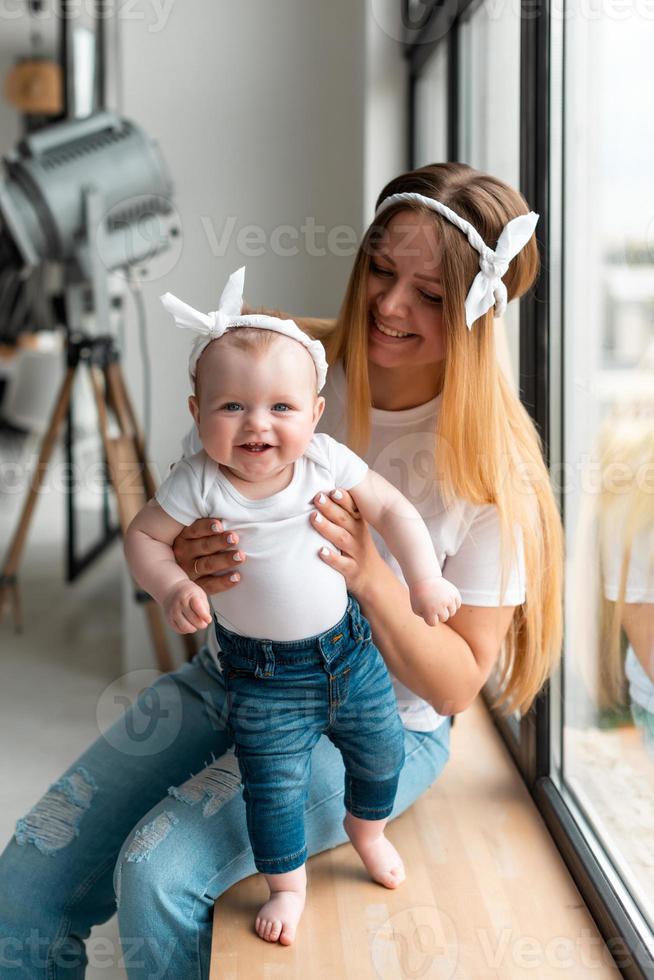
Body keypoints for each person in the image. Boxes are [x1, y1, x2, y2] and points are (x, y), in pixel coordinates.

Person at [0, 162, 563, 978]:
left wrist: (370, 574)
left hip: (375, 724)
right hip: (234, 675)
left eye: (431, 295)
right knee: (29, 870)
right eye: (379, 268)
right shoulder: (279, 367)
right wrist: (188, 559)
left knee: (157, 870)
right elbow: (184, 522)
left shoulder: (490, 469)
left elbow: (451, 690)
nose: (390, 306)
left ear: (480, 311)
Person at [123, 265, 462, 944]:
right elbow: (143, 537)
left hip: (350, 653)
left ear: (313, 413)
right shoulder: (198, 482)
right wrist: (173, 586)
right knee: (272, 788)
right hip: (263, 679)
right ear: (198, 414)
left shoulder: (326, 462)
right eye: (232, 408)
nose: (258, 425)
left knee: (382, 750)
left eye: (281, 408)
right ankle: (289, 883)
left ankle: (369, 830)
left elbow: (392, 510)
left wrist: (422, 580)